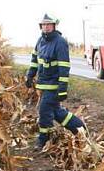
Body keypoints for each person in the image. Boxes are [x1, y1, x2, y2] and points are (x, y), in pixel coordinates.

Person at [25, 14, 85, 149]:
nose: (46, 27)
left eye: (48, 24)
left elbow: (64, 67)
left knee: (44, 111)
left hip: (54, 85)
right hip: (43, 84)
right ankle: (79, 128)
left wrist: (62, 89)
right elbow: (35, 60)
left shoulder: (60, 42)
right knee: (57, 112)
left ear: (54, 26)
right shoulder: (40, 41)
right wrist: (29, 76)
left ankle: (43, 140)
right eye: (44, 25)